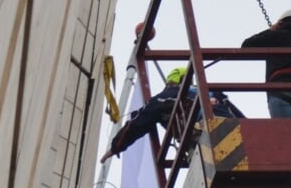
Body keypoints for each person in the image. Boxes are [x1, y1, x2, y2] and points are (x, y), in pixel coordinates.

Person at [103, 66, 242, 158]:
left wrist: (116, 147)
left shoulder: (160, 99)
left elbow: (137, 124)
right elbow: (239, 115)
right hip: (233, 129)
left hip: (201, 133)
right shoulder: (209, 91)